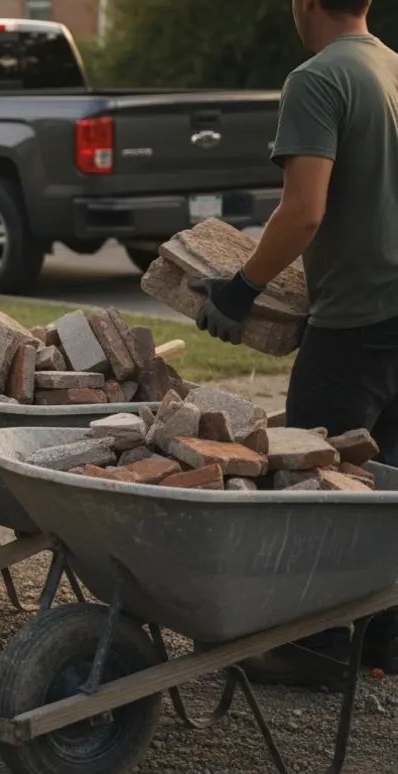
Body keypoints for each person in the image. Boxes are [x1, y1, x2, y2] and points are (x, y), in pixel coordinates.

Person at [192, 0, 398, 689]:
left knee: (314, 483)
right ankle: (383, 641)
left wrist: (239, 290)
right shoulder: (393, 69)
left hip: (357, 323)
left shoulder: (318, 78)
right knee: (386, 484)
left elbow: (304, 211)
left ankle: (317, 650)